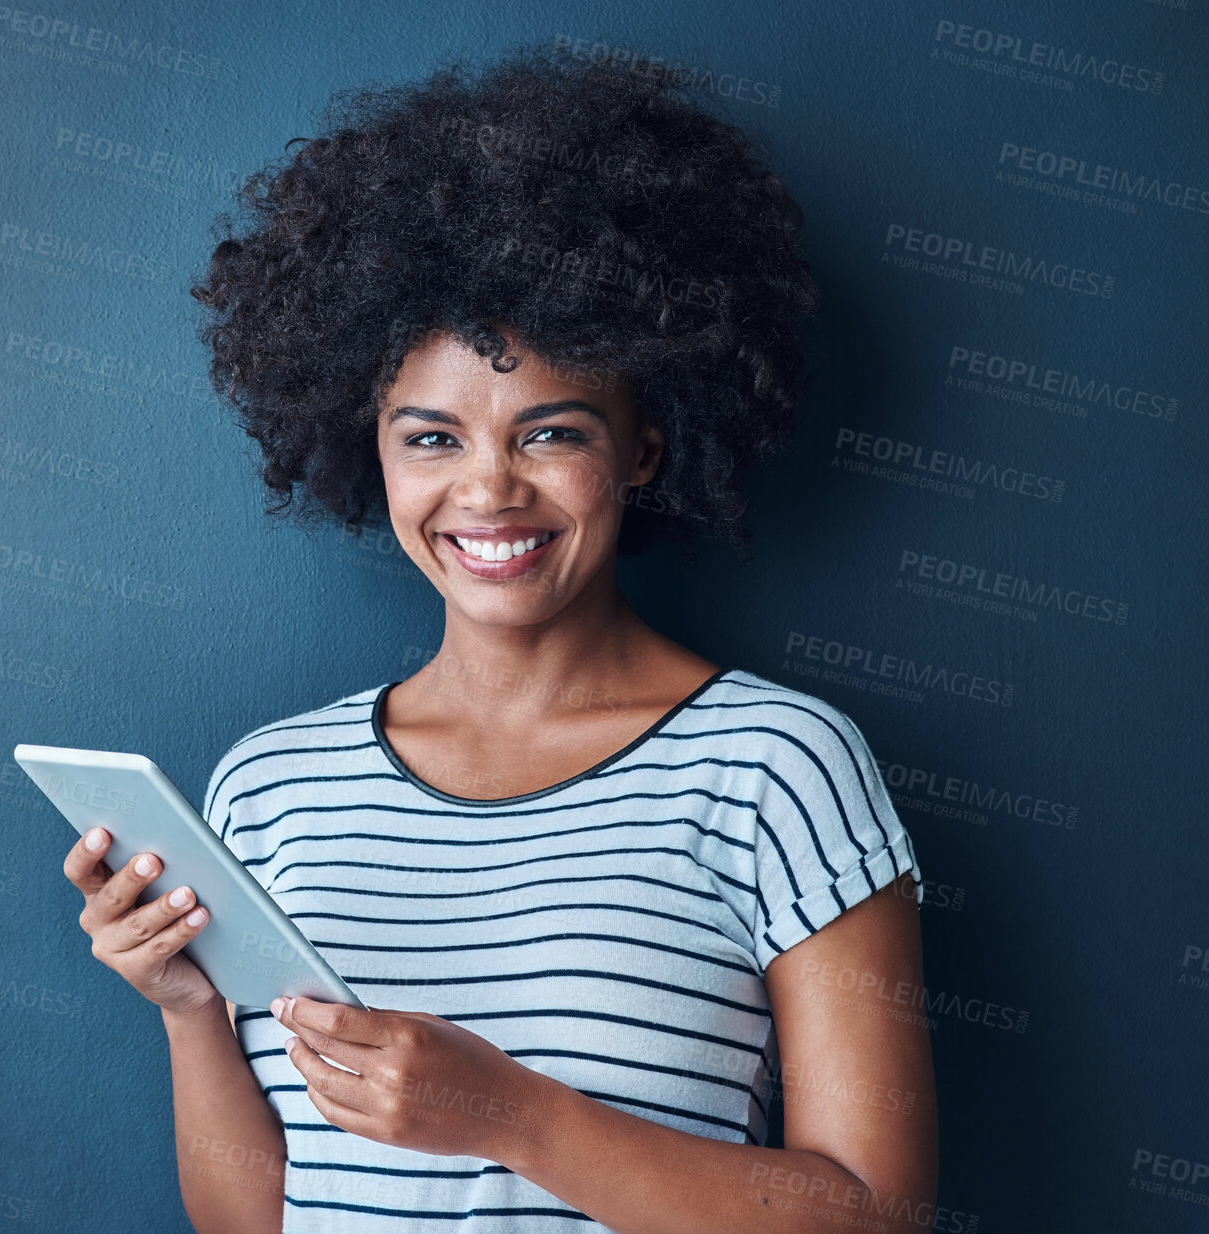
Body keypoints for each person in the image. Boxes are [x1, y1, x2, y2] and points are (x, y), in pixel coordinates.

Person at [64, 43, 937, 1234]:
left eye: (550, 434)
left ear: (641, 447)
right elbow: (251, 1223)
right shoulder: (269, 790)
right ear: (364, 446)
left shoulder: (776, 768)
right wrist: (181, 1008)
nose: (487, 491)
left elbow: (872, 1216)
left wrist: (509, 1114)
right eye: (430, 438)